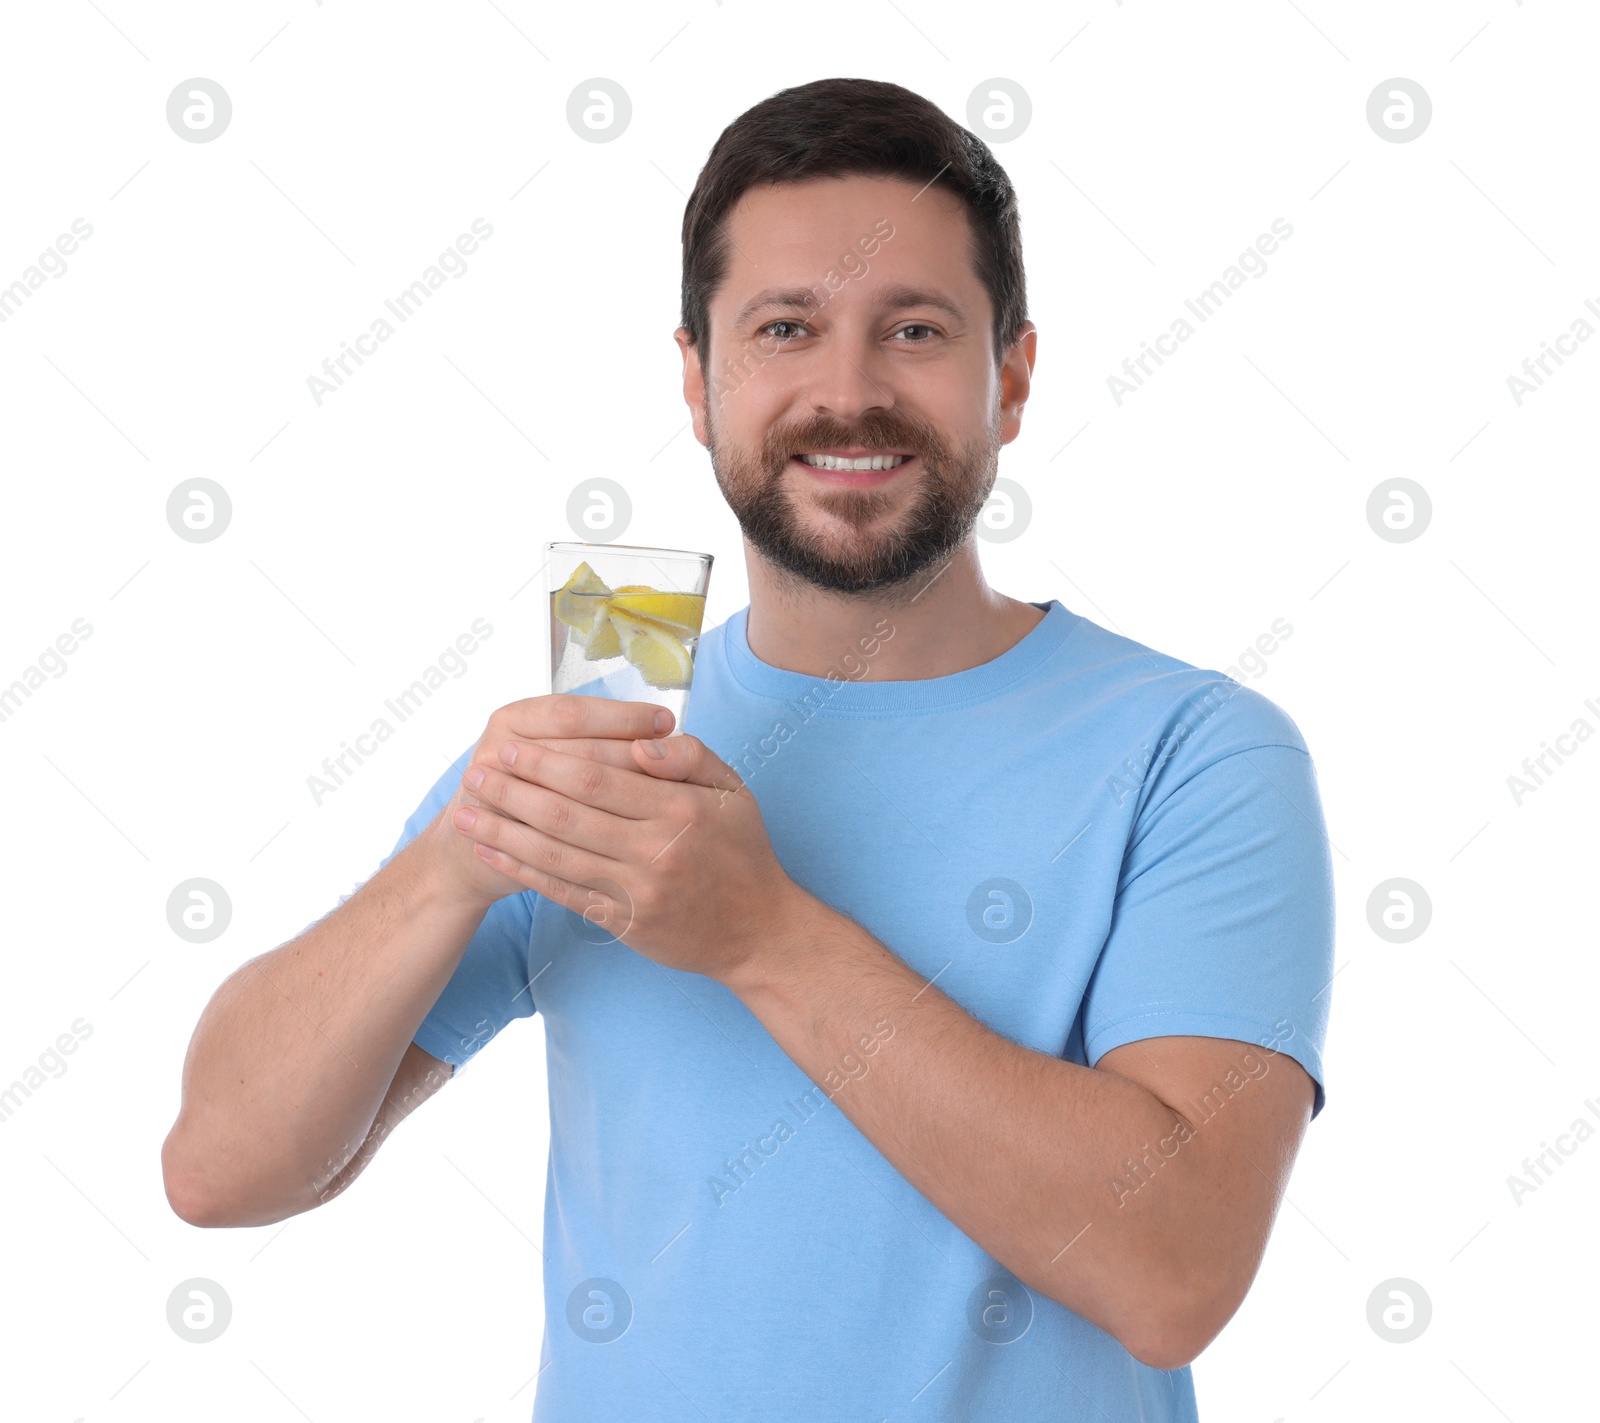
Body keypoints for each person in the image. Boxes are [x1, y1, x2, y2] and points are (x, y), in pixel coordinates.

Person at [163, 76, 1335, 1421]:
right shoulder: (614, 723)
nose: (847, 392)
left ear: (1009, 379)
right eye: (786, 328)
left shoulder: (1196, 753)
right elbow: (220, 1171)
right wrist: (456, 858)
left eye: (914, 328)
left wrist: (760, 934)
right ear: (697, 380)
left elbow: (1174, 1269)